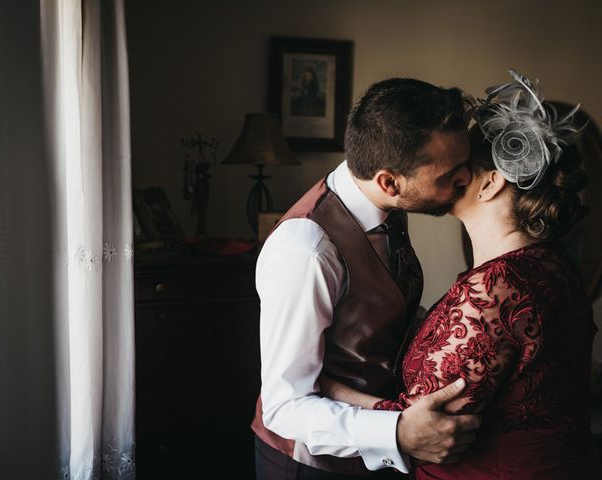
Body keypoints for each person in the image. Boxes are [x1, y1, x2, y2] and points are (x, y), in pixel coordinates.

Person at [320, 70, 602, 479]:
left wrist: (328, 387)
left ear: (490, 182)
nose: (445, 172)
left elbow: (425, 427)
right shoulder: (549, 262)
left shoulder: (492, 291)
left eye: (458, 164)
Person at [251, 77, 481, 479]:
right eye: (449, 174)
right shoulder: (307, 250)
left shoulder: (387, 203)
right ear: (389, 181)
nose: (465, 179)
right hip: (311, 465)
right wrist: (397, 431)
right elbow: (285, 406)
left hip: (377, 451)